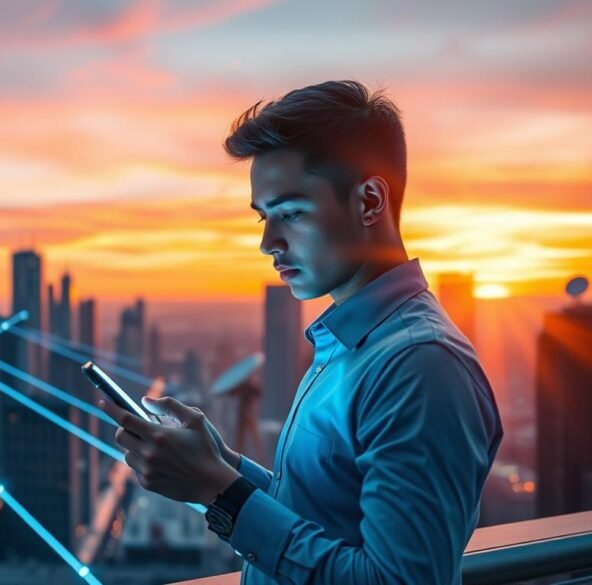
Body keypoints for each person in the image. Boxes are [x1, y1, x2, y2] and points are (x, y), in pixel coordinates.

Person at [98, 80, 503, 584]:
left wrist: (217, 492)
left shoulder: (419, 366)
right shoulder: (350, 345)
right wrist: (225, 466)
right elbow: (327, 515)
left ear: (370, 201)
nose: (268, 242)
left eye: (290, 213)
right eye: (264, 216)